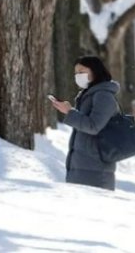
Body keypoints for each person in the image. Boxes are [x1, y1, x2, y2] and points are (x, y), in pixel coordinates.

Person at [50, 55, 120, 191]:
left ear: (95, 71)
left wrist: (70, 112)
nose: (78, 76)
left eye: (81, 72)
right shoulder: (90, 94)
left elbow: (94, 126)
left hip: (95, 171)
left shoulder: (103, 95)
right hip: (82, 168)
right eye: (76, 73)